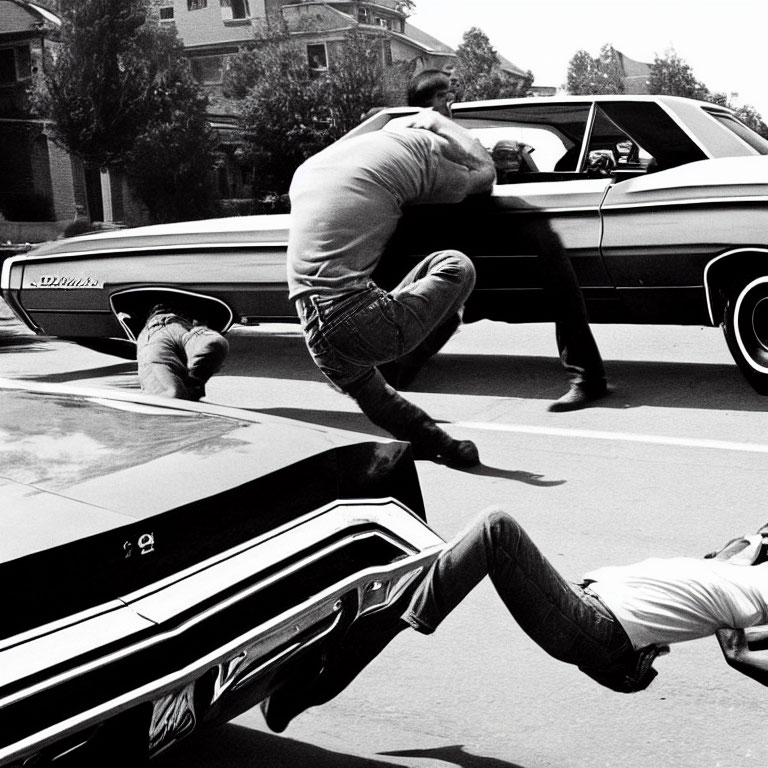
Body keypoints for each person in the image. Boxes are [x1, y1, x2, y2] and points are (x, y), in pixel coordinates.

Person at [261, 510, 768, 732]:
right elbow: (732, 556)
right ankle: (339, 652)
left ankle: (331, 670)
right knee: (443, 556)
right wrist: (752, 539)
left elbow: (741, 646)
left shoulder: (759, 591)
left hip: (598, 629)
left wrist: (743, 647)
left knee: (494, 530)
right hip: (587, 605)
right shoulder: (740, 565)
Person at [287, 108, 496, 467]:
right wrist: (436, 121)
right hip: (356, 318)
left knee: (378, 398)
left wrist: (386, 119)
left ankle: (446, 447)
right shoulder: (423, 154)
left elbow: (365, 132)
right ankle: (422, 337)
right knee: (455, 265)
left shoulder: (312, 166)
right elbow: (485, 172)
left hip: (313, 327)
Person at [136, 303, 229, 401]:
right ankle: (192, 383)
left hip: (156, 330)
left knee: (169, 396)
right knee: (215, 342)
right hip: (188, 329)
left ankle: (188, 386)